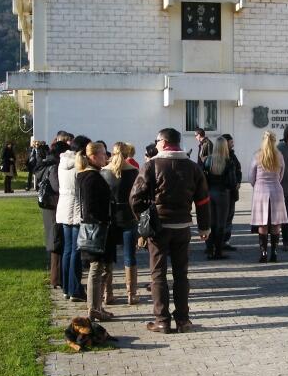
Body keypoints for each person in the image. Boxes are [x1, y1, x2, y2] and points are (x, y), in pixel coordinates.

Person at [129, 127, 210, 334]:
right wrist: (204, 227)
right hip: (183, 227)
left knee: (158, 274)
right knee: (181, 274)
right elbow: (202, 200)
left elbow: (135, 198)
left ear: (163, 143)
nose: (155, 144)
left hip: (158, 228)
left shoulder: (151, 165)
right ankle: (183, 320)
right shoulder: (193, 167)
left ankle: (162, 320)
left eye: (157, 141)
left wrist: (143, 221)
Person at [76, 141, 115, 321]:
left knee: (102, 268)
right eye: (103, 154)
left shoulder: (88, 175)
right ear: (92, 156)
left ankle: (97, 306)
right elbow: (90, 206)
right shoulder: (91, 177)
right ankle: (93, 308)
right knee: (96, 268)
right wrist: (103, 220)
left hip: (97, 227)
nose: (106, 156)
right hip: (97, 229)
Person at [102, 142, 140, 304]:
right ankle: (131, 294)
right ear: (127, 153)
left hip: (110, 217)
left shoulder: (103, 172)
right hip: (128, 216)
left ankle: (107, 293)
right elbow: (137, 196)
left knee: (108, 257)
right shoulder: (134, 171)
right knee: (130, 256)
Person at [58, 135, 91, 302]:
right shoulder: (79, 164)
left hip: (64, 208)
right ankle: (75, 289)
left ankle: (66, 287)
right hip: (77, 209)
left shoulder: (62, 162)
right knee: (76, 251)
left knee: (67, 250)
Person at [249, 131, 288, 262]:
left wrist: (257, 184)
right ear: (274, 141)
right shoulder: (279, 156)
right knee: (276, 223)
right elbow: (281, 174)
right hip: (276, 190)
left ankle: (264, 253)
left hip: (261, 191)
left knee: (263, 223)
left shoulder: (257, 155)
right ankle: (274, 252)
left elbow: (251, 177)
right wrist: (275, 181)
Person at [38, 140, 68, 291]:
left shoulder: (45, 163)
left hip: (47, 205)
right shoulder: (54, 166)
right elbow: (57, 186)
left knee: (53, 239)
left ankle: (55, 276)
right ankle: (57, 278)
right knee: (56, 240)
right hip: (53, 205)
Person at [203, 136, 238, 260]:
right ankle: (218, 251)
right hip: (223, 194)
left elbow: (203, 178)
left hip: (210, 193)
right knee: (221, 223)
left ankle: (209, 249)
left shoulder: (208, 160)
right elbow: (232, 182)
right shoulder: (228, 162)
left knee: (211, 222)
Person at [221, 133, 241, 251]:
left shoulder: (233, 156)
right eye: (231, 142)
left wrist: (238, 182)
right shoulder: (218, 157)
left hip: (231, 192)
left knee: (229, 217)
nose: (233, 144)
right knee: (221, 217)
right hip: (223, 192)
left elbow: (238, 170)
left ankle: (225, 241)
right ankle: (218, 242)